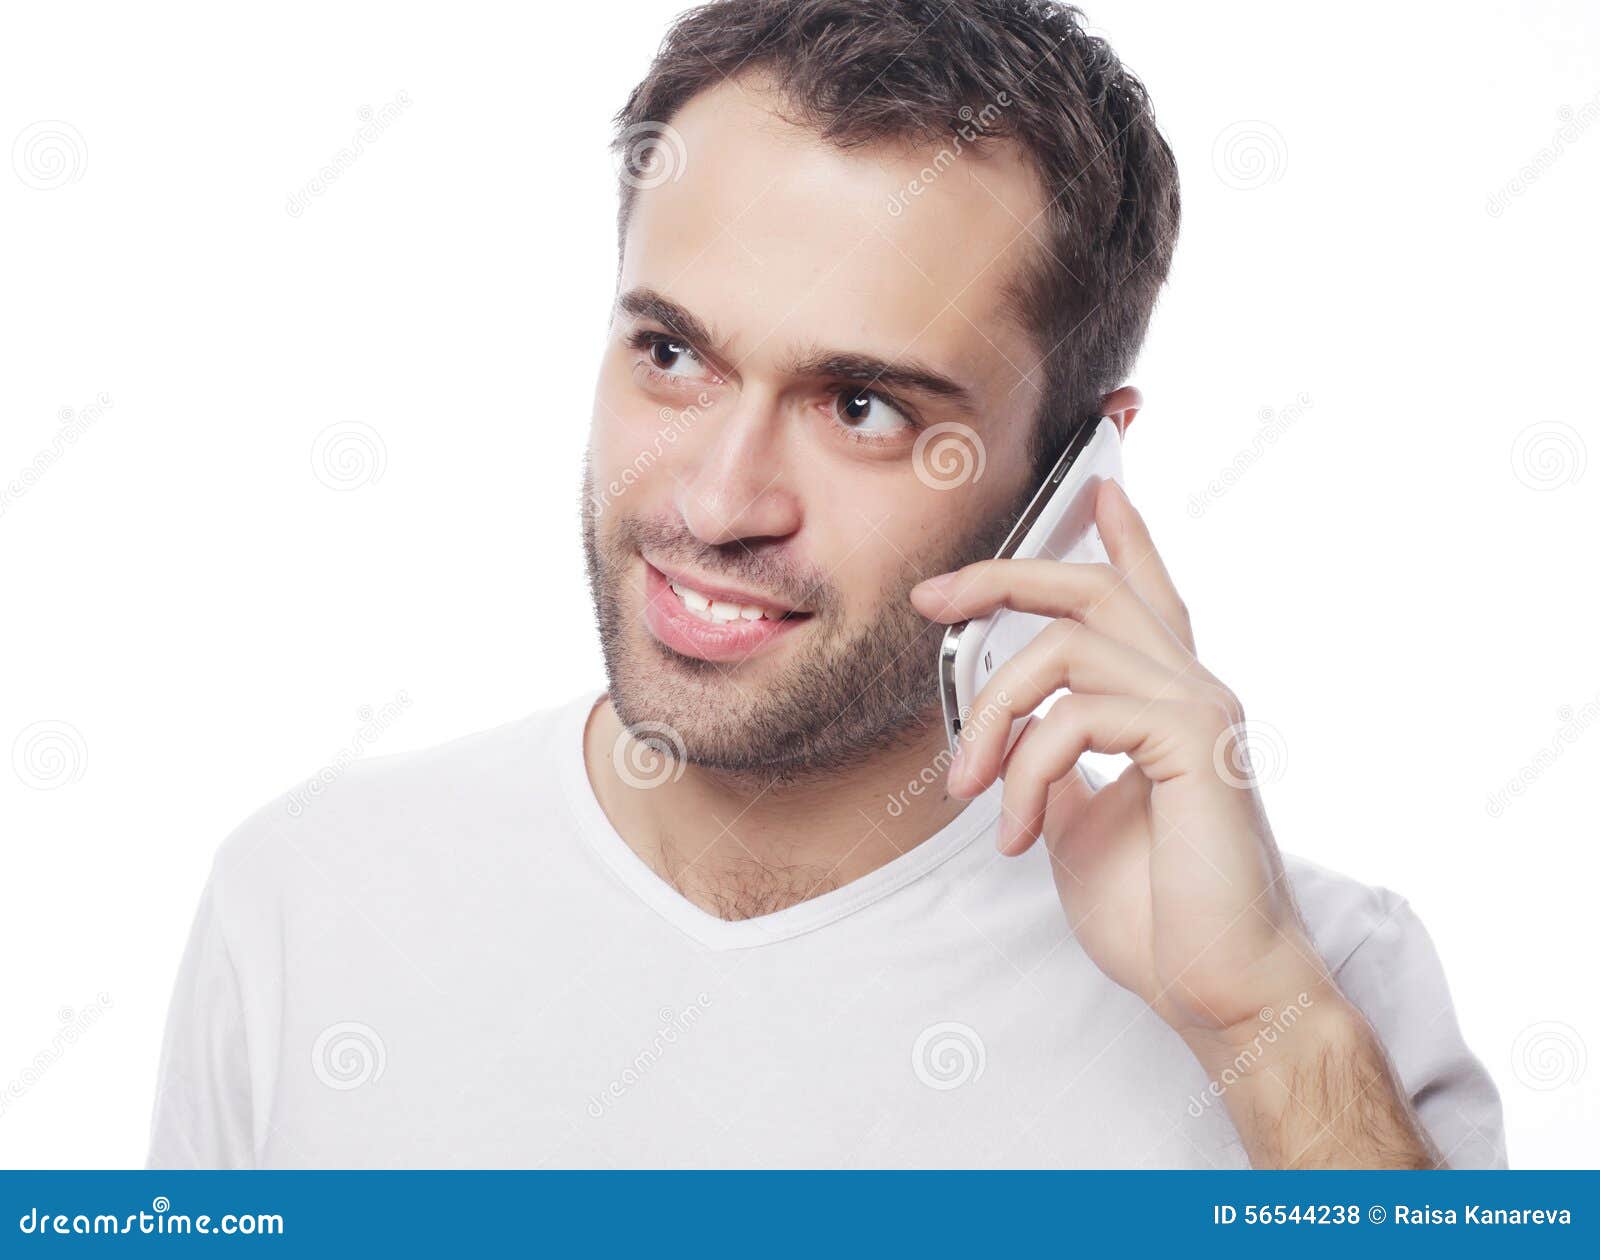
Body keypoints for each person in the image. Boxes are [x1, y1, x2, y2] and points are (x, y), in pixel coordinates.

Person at [149, 0, 1505, 1169]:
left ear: (1075, 474)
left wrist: (1260, 1025)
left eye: (860, 405)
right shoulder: (306, 901)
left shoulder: (1314, 984)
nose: (715, 503)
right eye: (672, 355)